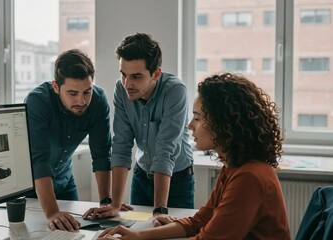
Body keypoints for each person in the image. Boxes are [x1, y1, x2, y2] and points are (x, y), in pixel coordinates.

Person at [97, 72, 291, 240]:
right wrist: (136, 236)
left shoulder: (249, 177)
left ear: (223, 124)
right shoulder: (233, 167)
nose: (189, 125)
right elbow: (198, 222)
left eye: (197, 118)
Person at [84, 33, 194, 226]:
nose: (127, 83)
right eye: (123, 74)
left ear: (156, 73)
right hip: (141, 178)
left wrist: (160, 210)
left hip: (177, 181)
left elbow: (165, 150)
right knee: (136, 232)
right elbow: (121, 144)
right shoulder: (122, 89)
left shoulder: (175, 91)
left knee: (171, 234)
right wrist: (115, 204)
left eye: (136, 76)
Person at [25, 49, 112, 231]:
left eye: (86, 92)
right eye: (72, 93)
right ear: (56, 87)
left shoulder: (97, 100)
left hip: (65, 182)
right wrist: (52, 213)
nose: (81, 101)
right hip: (32, 188)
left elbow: (102, 154)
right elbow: (39, 160)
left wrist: (105, 203)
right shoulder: (37, 101)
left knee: (75, 233)